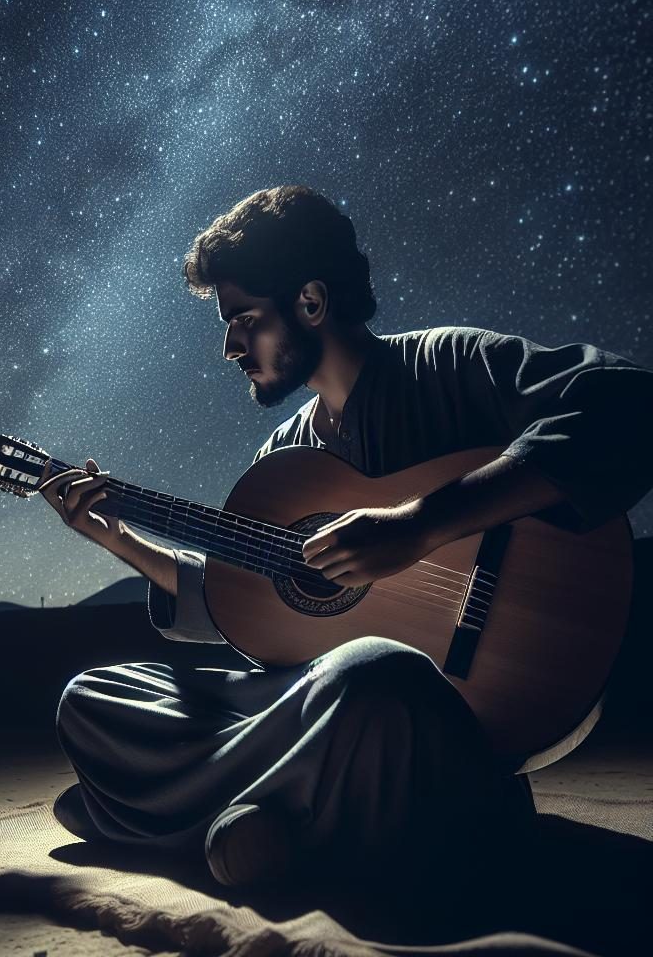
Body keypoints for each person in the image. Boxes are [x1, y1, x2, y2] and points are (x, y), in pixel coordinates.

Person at [37, 185, 653, 889]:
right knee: (92, 698)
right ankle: (291, 819)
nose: (230, 347)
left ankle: (151, 813)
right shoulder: (284, 457)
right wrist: (117, 537)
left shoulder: (448, 363)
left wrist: (421, 525)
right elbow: (246, 606)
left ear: (310, 304)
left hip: (421, 709)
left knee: (371, 672)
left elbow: (628, 406)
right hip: (318, 707)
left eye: (243, 319)